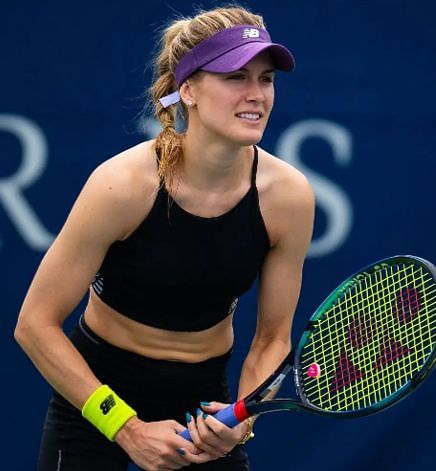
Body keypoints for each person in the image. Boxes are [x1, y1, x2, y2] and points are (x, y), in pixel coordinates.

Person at [14, 6, 314, 470]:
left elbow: (272, 338)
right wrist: (126, 428)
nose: (257, 94)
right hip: (98, 392)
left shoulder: (289, 197)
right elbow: (34, 324)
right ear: (188, 89)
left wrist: (242, 419)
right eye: (236, 77)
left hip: (203, 402)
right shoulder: (121, 185)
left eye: (267, 79)